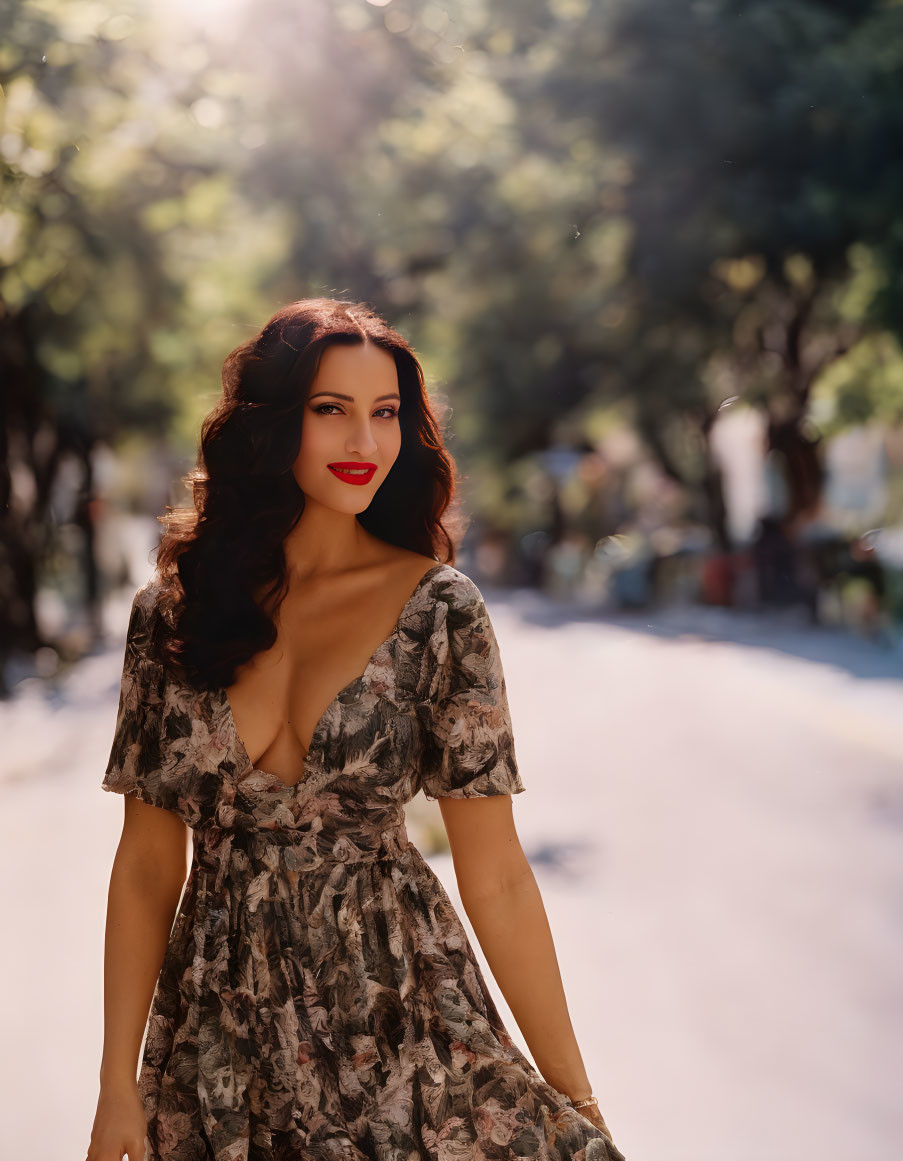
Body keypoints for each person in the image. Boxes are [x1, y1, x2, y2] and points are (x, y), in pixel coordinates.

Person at [88, 298, 625, 1161]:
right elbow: (148, 863)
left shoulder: (440, 612)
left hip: (404, 1023)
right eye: (330, 410)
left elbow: (496, 877)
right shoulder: (173, 618)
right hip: (218, 1043)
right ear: (271, 425)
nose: (364, 445)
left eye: (386, 415)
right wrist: (117, 1083)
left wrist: (575, 1095)